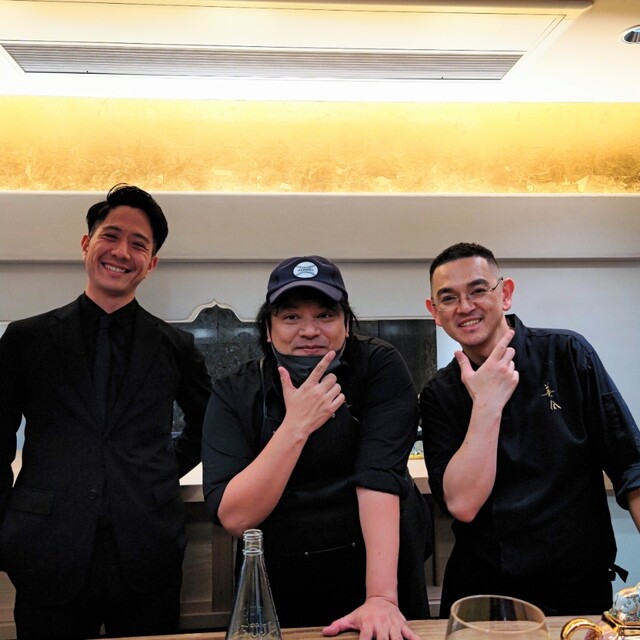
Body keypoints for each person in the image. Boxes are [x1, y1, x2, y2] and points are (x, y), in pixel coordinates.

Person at [0, 184, 212, 639]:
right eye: (110, 236)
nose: (121, 252)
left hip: (147, 552)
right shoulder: (26, 339)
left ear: (151, 264)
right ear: (86, 244)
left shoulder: (175, 346)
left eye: (139, 244)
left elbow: (209, 426)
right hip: (46, 549)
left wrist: (156, 471)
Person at [202, 255, 431, 639]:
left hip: (377, 567)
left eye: (325, 315)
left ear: (346, 324)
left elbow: (377, 478)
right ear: (268, 329)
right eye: (291, 317)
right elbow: (237, 517)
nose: (309, 331)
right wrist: (296, 427)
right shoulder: (235, 392)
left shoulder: (379, 366)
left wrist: (380, 598)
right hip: (281, 574)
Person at [420, 241, 640, 618]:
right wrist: (486, 405)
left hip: (577, 591)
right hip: (483, 595)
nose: (465, 307)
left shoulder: (567, 354)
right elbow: (462, 505)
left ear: (505, 294)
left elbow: (631, 466)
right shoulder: (439, 393)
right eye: (449, 298)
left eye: (478, 290)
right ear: (435, 312)